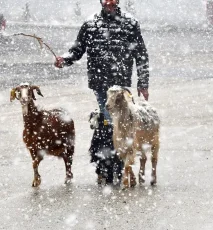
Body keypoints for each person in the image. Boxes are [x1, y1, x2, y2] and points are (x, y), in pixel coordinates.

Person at [54, 0, 150, 184]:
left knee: (120, 125)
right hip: (100, 85)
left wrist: (143, 83)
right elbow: (77, 49)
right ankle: (109, 166)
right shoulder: (90, 24)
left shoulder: (130, 23)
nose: (110, 2)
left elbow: (141, 53)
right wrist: (64, 60)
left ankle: (115, 166)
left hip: (121, 87)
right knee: (109, 123)